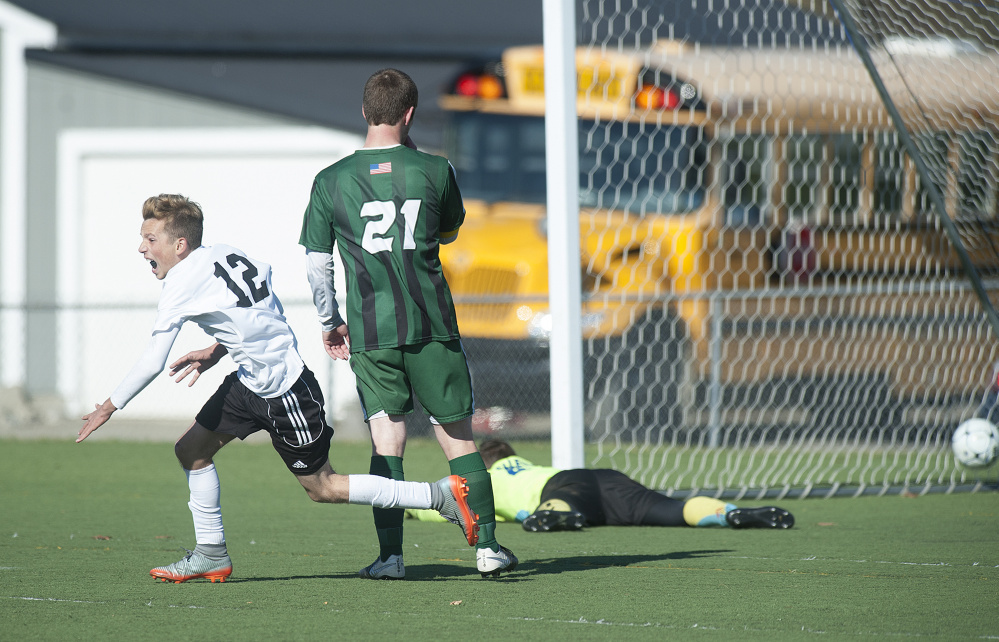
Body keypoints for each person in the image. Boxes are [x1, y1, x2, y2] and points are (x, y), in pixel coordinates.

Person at [77, 193, 480, 583]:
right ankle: (211, 553)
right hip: (249, 384)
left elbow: (153, 358)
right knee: (191, 450)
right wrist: (219, 349)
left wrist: (109, 406)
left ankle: (437, 496)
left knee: (322, 488)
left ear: (179, 245)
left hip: (286, 393)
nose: (141, 248)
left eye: (150, 239)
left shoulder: (181, 282)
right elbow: (261, 308)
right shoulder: (224, 253)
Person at [298, 68, 516, 580]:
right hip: (433, 326)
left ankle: (391, 559)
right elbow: (449, 231)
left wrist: (331, 320)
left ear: (364, 111)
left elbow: (316, 263)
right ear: (410, 113)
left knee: (386, 443)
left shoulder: (330, 180)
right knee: (458, 440)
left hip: (371, 332)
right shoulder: (437, 169)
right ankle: (486, 548)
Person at [409, 439, 794, 532]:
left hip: (564, 489)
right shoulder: (525, 465)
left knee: (559, 504)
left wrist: (407, 507)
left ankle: (557, 516)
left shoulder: (485, 482)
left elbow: (444, 508)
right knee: (668, 509)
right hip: (602, 478)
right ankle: (729, 513)